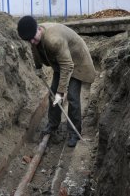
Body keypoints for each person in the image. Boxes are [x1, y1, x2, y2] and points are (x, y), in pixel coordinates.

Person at [17, 15, 96, 147]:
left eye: (33, 38)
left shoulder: (53, 40)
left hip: (77, 62)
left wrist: (61, 92)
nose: (32, 41)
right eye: (29, 40)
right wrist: (38, 67)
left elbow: (68, 66)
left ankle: (74, 133)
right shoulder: (34, 36)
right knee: (53, 95)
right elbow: (34, 49)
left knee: (72, 97)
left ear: (38, 29)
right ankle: (53, 124)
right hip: (61, 62)